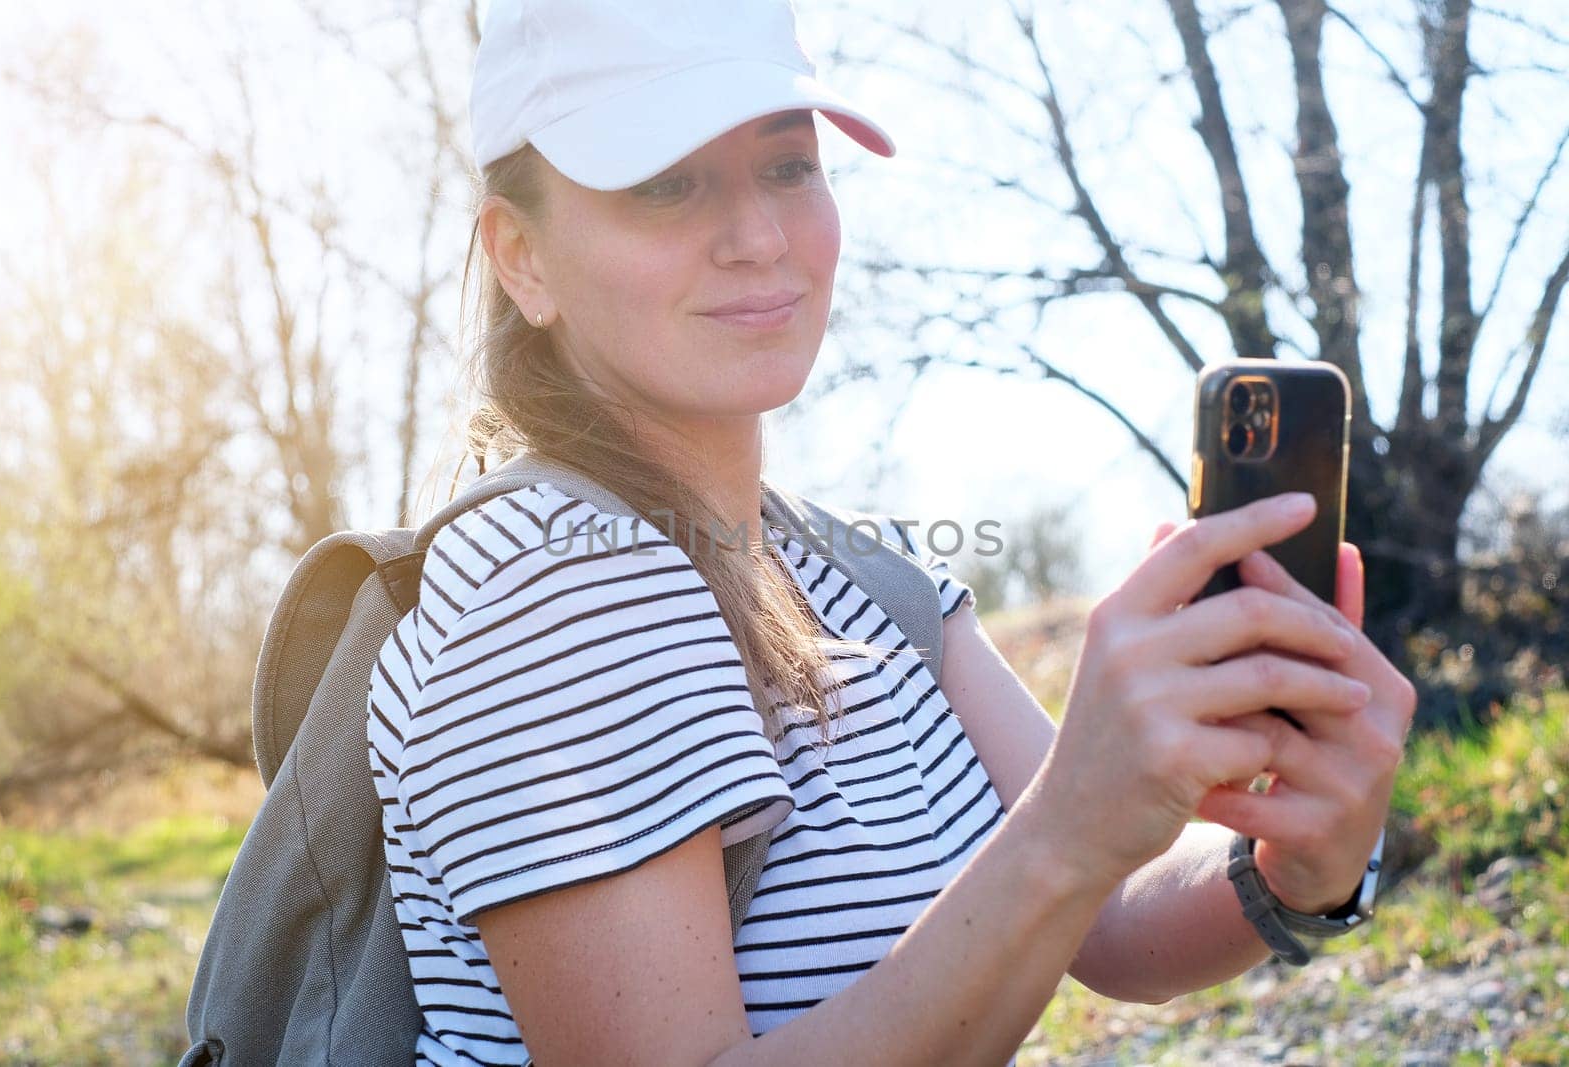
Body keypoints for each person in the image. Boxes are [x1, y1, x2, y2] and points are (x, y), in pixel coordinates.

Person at [366, 1, 1417, 1064]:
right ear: (521, 256)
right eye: (664, 184)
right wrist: (1069, 824)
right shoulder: (547, 592)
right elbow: (1060, 851)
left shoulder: (865, 572)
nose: (759, 239)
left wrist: (1288, 864)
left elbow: (1111, 916)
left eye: (786, 169)